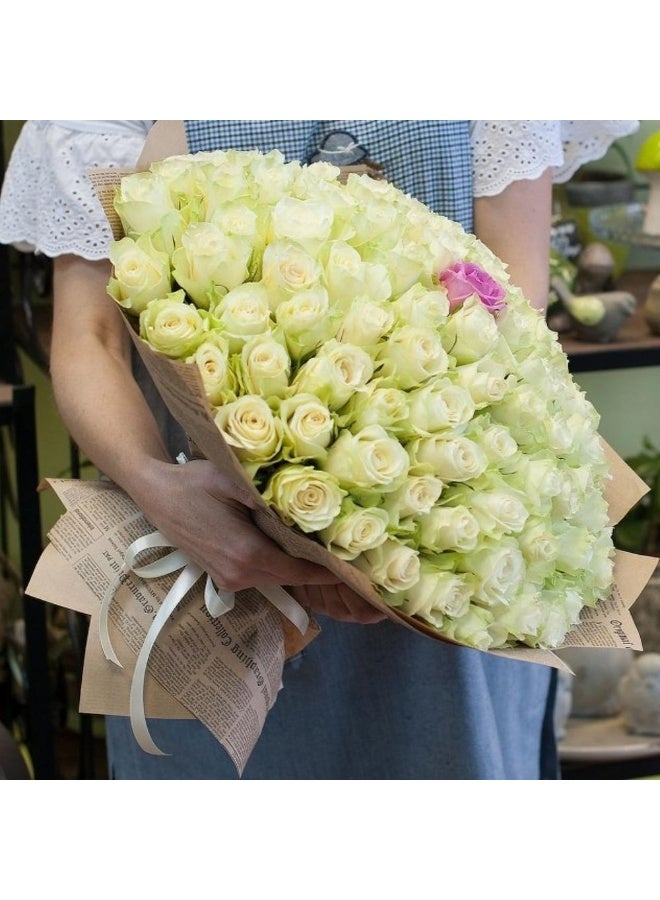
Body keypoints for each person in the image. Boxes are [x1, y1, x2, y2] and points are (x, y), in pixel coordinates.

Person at [0, 119, 638, 779]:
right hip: (201, 549)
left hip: (441, 547)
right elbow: (90, 338)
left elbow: (510, 301)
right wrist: (157, 487)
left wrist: (375, 539)